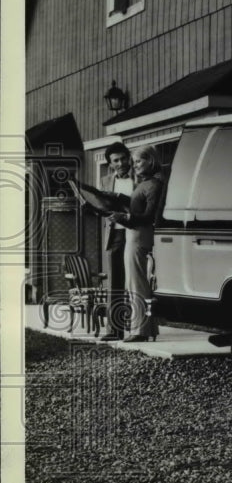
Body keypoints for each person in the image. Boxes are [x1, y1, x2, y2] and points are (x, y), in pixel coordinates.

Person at [110, 145, 165, 343]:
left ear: (150, 160)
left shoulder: (154, 185)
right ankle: (145, 329)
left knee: (137, 284)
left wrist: (124, 217)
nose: (135, 165)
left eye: (139, 161)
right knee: (134, 284)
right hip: (133, 235)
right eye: (134, 162)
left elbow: (149, 216)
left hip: (140, 236)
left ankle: (141, 331)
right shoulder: (144, 184)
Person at [99, 142, 133, 340]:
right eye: (116, 161)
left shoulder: (141, 178)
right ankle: (114, 330)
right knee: (115, 282)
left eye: (123, 158)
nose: (121, 163)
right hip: (115, 234)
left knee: (138, 281)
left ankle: (140, 329)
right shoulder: (105, 181)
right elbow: (101, 205)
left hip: (137, 233)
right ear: (110, 164)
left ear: (129, 158)